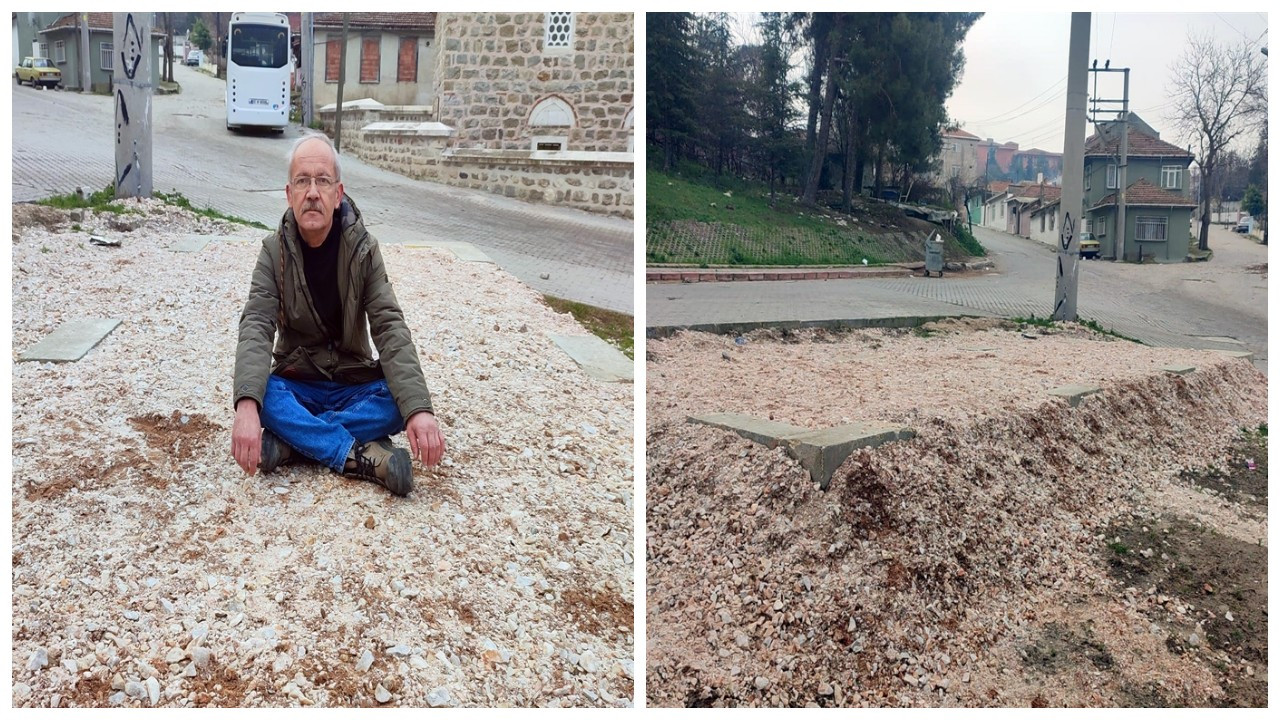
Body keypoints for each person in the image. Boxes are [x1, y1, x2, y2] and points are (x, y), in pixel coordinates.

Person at [230, 134, 445, 496]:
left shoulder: (364, 249)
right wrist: (248, 406)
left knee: (398, 403)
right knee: (261, 395)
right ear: (289, 194)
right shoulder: (273, 252)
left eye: (322, 180)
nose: (312, 192)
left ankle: (293, 443)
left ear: (338, 193)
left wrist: (419, 410)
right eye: (302, 181)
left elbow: (389, 325)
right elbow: (256, 325)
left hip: (351, 381)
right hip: (298, 381)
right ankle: (359, 455)